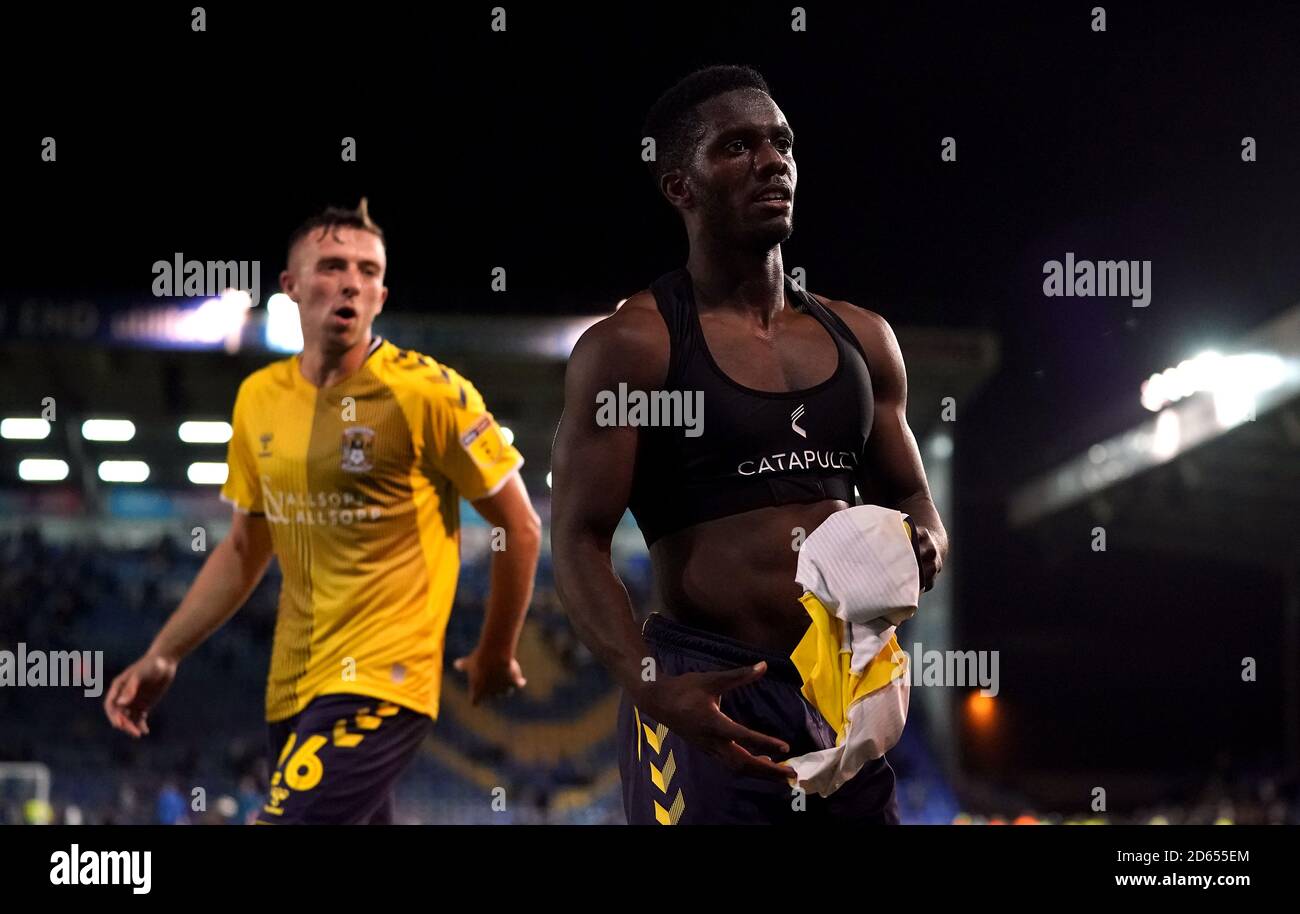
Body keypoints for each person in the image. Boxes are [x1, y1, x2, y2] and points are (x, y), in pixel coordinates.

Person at [551, 66, 947, 824]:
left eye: (782, 143)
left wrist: (926, 541)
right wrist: (648, 685)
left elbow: (912, 498)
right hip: (707, 687)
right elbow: (577, 538)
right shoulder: (634, 347)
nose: (773, 161)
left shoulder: (864, 338)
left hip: (842, 689)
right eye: (738, 146)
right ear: (679, 186)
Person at [105, 200, 541, 824]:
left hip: (383, 682)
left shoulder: (428, 393)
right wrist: (165, 652)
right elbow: (242, 550)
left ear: (382, 295)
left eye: (367, 271)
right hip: (293, 687)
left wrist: (497, 650)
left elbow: (519, 525)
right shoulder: (259, 397)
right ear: (290, 286)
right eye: (332, 266)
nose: (350, 283)